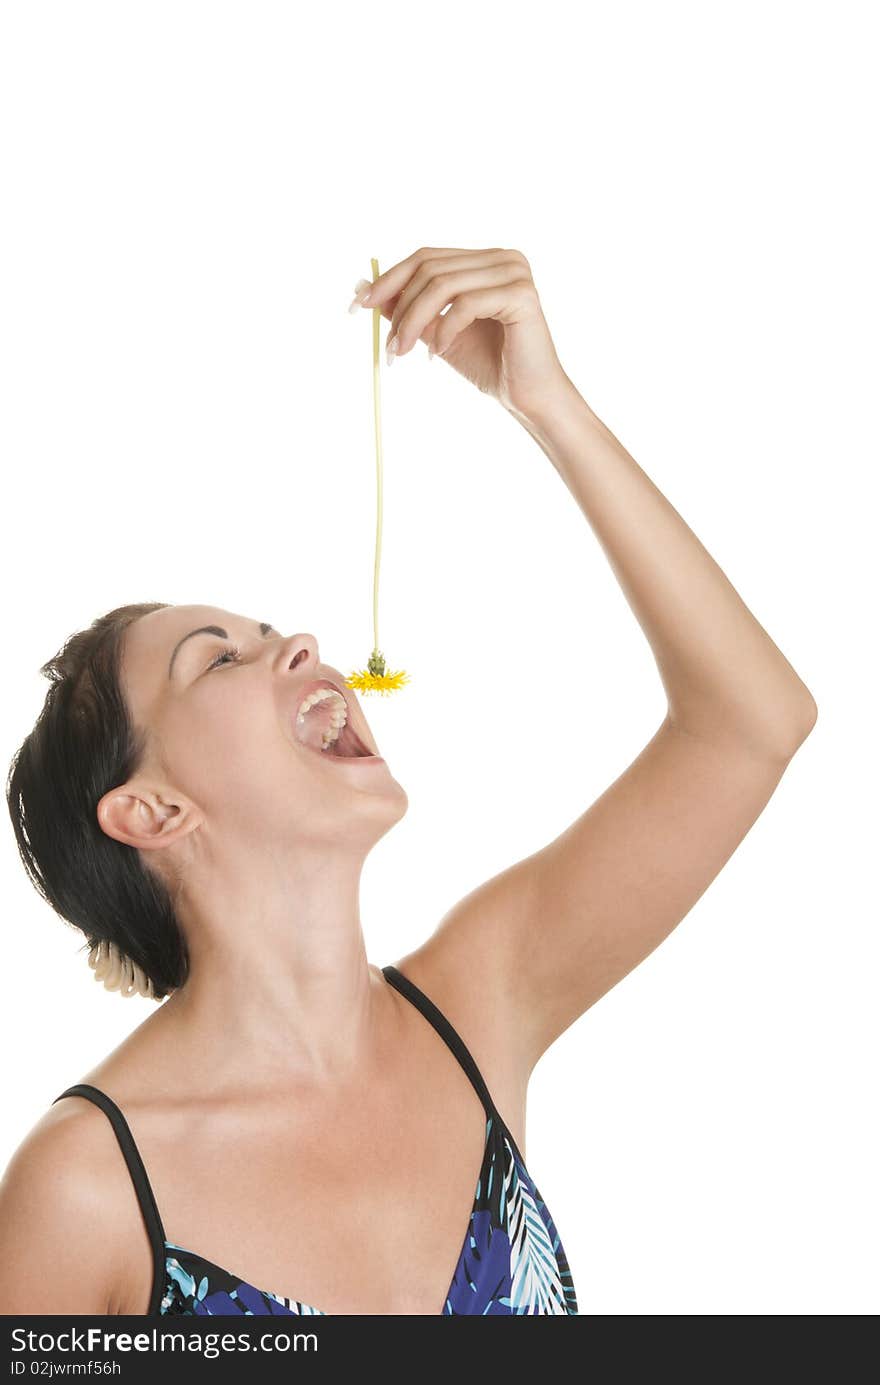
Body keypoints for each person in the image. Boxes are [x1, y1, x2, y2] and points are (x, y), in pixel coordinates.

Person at [0, 245, 817, 1316]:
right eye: (221, 657)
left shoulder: (477, 1005)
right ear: (152, 810)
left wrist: (545, 403)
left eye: (268, 628)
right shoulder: (85, 1189)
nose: (297, 639)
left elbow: (754, 720)